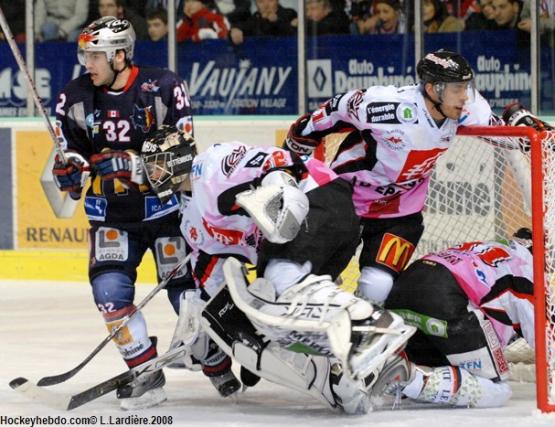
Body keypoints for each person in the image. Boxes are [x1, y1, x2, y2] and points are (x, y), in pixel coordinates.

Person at [139, 126, 415, 414]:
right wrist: (212, 327)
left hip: (316, 201)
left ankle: (368, 325)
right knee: (274, 312)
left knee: (280, 281)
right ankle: (347, 374)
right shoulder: (190, 219)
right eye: (150, 168)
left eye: (157, 164)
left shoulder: (212, 164)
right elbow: (212, 273)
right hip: (304, 235)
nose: (152, 174)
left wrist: (284, 192)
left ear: (178, 159)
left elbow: (276, 161)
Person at [49, 17, 237, 411]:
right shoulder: (73, 97)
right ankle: (145, 373)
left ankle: (215, 360)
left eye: (95, 55)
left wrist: (131, 165)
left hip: (168, 214)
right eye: (84, 54)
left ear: (120, 54)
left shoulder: (163, 87)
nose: (88, 62)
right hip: (112, 217)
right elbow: (69, 165)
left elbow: (183, 160)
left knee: (187, 298)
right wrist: (65, 173)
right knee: (109, 294)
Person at [284, 49, 545, 307]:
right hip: (346, 203)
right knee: (313, 279)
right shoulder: (385, 106)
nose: (465, 96)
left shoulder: (467, 107)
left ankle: (362, 335)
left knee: (377, 287)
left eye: (466, 87)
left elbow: (500, 132)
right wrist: (297, 142)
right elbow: (334, 109)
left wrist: (523, 127)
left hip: (400, 213)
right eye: (457, 89)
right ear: (433, 90)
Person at [379, 229, 535, 408]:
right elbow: (547, 342)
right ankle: (407, 377)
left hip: (402, 291)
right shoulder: (526, 270)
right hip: (443, 299)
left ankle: (391, 374)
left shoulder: (486, 247)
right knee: (497, 390)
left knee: (440, 375)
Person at [229, 0, 297, 45]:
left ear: (277, 1)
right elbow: (243, 26)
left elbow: (292, 34)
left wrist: (276, 21)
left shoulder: (289, 14)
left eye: (270, 0)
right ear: (256, 4)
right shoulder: (255, 18)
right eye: (261, 1)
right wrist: (235, 29)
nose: (266, 6)